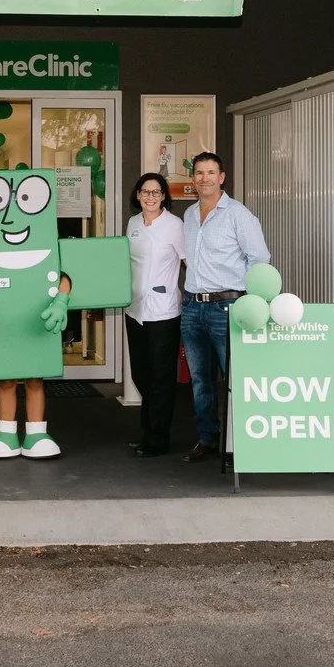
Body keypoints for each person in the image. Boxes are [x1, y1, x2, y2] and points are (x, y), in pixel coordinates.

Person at [179, 151, 270, 464]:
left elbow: (260, 259)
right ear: (193, 179)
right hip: (193, 306)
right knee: (200, 380)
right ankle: (207, 438)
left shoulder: (238, 214)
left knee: (234, 379)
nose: (204, 178)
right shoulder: (189, 215)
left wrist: (247, 299)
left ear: (221, 177)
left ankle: (239, 445)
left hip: (227, 306)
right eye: (199, 173)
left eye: (210, 172)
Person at [123, 172, 185, 458]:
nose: (150, 197)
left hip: (163, 312)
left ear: (163, 196)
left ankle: (158, 439)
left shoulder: (175, 225)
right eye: (145, 192)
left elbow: (188, 261)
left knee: (161, 377)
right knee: (141, 373)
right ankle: (148, 432)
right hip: (135, 309)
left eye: (156, 192)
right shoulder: (133, 224)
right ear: (138, 195)